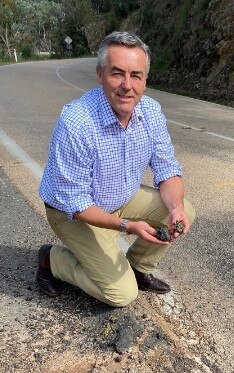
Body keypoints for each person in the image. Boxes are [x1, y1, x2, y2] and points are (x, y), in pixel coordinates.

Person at [37, 31, 195, 307]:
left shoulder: (152, 112)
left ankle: (136, 267)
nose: (126, 85)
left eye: (135, 75)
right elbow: (76, 202)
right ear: (100, 75)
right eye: (116, 73)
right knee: (121, 295)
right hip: (72, 212)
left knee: (183, 209)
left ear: (145, 80)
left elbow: (167, 169)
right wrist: (126, 226)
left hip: (120, 197)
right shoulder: (77, 121)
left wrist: (175, 209)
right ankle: (52, 260)